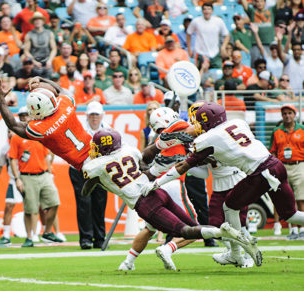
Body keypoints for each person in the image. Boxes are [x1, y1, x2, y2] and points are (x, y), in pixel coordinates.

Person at [143, 102, 304, 265]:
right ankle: (237, 252)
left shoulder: (207, 139)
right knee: (290, 214)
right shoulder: (239, 123)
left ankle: (239, 252)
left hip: (254, 173)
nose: (197, 125)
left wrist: (157, 182)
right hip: (275, 165)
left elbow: (187, 164)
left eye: (199, 121)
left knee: (230, 208)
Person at [81, 128, 255, 271]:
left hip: (144, 204)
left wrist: (97, 180)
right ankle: (127, 263)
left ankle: (225, 232)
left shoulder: (95, 167)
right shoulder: (129, 151)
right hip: (157, 192)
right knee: (190, 228)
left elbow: (85, 192)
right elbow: (142, 166)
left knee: (185, 231)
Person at [0, 75, 92, 173]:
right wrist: (41, 79)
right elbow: (59, 90)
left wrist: (1, 100)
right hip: (95, 148)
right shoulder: (65, 103)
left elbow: (13, 125)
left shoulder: (41, 129)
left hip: (84, 165)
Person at [9, 108, 62, 247]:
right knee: (30, 209)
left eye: (26, 115)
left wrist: (50, 171)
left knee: (54, 202)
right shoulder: (16, 136)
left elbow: (47, 154)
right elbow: (12, 159)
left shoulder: (39, 133)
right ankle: (30, 237)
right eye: (21, 116)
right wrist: (17, 178)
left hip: (44, 173)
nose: (24, 118)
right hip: (27, 176)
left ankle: (47, 232)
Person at [69, 101, 109, 249]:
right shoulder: (79, 129)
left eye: (96, 115)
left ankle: (100, 238)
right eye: (91, 115)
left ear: (102, 116)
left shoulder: (109, 129)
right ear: (87, 115)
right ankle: (86, 238)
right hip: (80, 169)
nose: (94, 118)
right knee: (84, 203)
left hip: (101, 169)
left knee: (100, 203)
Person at [269, 104, 304, 239]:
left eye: (290, 113)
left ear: (294, 115)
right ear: (281, 115)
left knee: (301, 198)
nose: (287, 116)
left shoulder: (302, 129)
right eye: (284, 113)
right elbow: (272, 150)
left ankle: (303, 229)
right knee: (288, 198)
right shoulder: (276, 131)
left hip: (299, 164)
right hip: (282, 166)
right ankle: (293, 229)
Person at [0, 127, 23, 245]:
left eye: (12, 131)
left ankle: (37, 235)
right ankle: (6, 235)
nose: (10, 134)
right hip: (13, 180)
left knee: (36, 207)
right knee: (9, 205)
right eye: (8, 132)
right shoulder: (5, 149)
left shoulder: (25, 143)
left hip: (27, 178)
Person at [186, 3, 229, 69]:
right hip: (200, 53)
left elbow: (227, 35)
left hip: (215, 53)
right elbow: (188, 33)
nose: (207, 11)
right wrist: (189, 49)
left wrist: (223, 47)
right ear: (202, 11)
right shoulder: (196, 21)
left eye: (209, 9)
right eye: (205, 9)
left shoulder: (218, 21)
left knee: (218, 72)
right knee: (198, 74)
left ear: (212, 11)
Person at [23, 12, 57, 78]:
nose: (37, 21)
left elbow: (54, 49)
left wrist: (50, 60)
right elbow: (26, 51)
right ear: (33, 22)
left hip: (47, 62)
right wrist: (34, 62)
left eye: (39, 19)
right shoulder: (29, 35)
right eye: (35, 20)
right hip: (35, 63)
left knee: (48, 83)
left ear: (42, 21)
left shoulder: (49, 33)